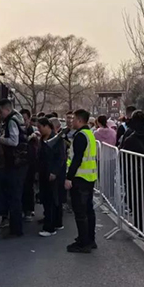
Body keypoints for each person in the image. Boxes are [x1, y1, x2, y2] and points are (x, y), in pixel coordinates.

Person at [0, 99, 30, 237]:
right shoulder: (18, 117)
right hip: (20, 162)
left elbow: (14, 141)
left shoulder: (11, 121)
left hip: (16, 163)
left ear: (7, 109)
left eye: (0, 111)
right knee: (14, 194)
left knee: (14, 196)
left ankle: (16, 230)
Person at [64, 109, 98, 254]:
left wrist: (69, 177)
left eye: (73, 119)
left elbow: (76, 159)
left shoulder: (80, 136)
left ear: (79, 120)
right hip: (89, 177)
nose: (71, 121)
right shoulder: (89, 134)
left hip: (80, 178)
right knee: (88, 210)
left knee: (80, 212)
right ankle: (89, 239)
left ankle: (83, 243)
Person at [36, 118, 66, 237]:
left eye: (40, 127)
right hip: (44, 172)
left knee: (51, 200)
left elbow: (61, 158)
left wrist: (54, 172)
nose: (38, 129)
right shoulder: (43, 138)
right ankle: (56, 222)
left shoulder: (57, 139)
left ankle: (50, 227)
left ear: (47, 126)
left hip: (52, 173)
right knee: (51, 199)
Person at [20, 109, 38, 221]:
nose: (23, 121)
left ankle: (29, 210)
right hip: (19, 163)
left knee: (29, 187)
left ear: (29, 119)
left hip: (30, 163)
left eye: (25, 119)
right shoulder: (17, 130)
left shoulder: (34, 132)